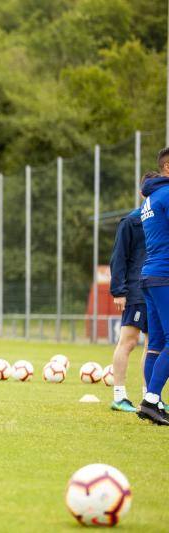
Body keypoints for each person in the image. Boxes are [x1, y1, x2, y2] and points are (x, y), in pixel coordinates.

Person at [108, 171, 159, 412]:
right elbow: (119, 257)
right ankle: (119, 395)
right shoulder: (131, 221)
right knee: (128, 343)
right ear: (142, 194)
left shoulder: (160, 219)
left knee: (153, 345)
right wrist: (119, 291)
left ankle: (149, 397)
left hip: (156, 288)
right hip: (136, 292)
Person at [137, 149, 169, 424]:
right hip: (164, 275)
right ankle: (151, 399)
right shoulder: (167, 195)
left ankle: (153, 402)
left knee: (156, 344)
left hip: (150, 275)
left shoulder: (152, 198)